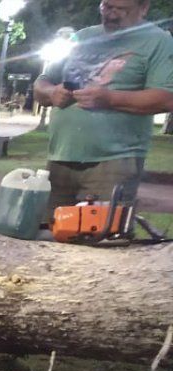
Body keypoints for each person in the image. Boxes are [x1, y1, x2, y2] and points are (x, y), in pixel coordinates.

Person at [34, 0, 173, 216]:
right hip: (60, 157)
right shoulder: (82, 37)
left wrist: (109, 99)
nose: (112, 15)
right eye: (107, 7)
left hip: (113, 163)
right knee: (46, 233)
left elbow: (166, 98)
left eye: (121, 9)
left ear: (143, 8)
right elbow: (41, 83)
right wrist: (52, 92)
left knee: (97, 240)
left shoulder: (159, 41)